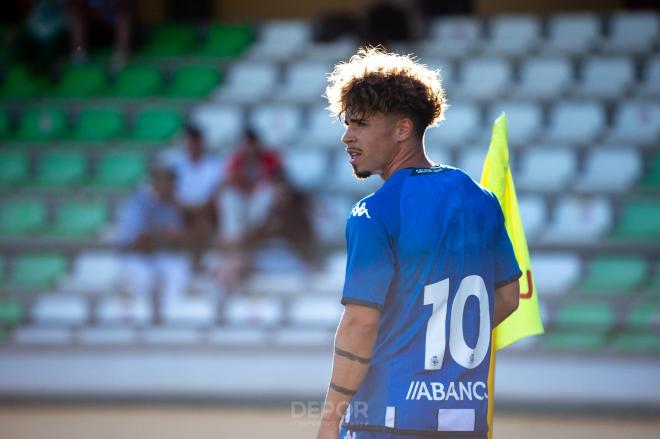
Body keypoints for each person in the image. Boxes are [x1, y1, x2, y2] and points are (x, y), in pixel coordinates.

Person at [317, 48, 521, 439]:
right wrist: (436, 339)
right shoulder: (481, 199)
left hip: (385, 420)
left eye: (359, 123)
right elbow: (510, 298)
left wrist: (328, 423)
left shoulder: (375, 212)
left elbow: (360, 324)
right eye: (347, 124)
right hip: (466, 420)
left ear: (402, 129)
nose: (347, 136)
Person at [116, 165, 191, 316]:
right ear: (155, 183)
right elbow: (136, 241)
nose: (172, 188)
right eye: (168, 183)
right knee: (145, 279)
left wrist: (174, 237)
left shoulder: (173, 203)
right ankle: (144, 321)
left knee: (179, 271)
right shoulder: (137, 203)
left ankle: (171, 317)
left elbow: (178, 237)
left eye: (173, 183)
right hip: (135, 256)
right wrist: (162, 234)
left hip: (160, 254)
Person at [167, 124, 223, 270]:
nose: (191, 146)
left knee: (201, 222)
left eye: (194, 142)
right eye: (188, 142)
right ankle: (193, 262)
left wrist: (197, 207)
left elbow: (215, 194)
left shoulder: (214, 165)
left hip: (205, 211)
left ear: (201, 142)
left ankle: (194, 262)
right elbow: (170, 193)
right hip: (181, 211)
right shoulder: (175, 164)